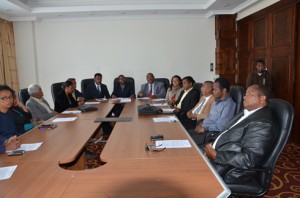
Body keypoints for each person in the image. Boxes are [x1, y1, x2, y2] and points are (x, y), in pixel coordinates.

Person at [204, 84, 277, 184]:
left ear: (262, 98)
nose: (244, 97)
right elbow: (227, 131)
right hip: (217, 155)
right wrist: (213, 143)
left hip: (228, 169)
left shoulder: (262, 123)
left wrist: (216, 156)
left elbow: (249, 159)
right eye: (245, 94)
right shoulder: (246, 112)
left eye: (249, 94)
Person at [188, 78, 236, 145]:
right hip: (203, 129)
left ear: (224, 91)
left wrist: (205, 128)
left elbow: (222, 126)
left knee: (185, 141)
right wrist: (201, 124)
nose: (213, 92)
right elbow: (209, 116)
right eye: (213, 89)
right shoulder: (216, 101)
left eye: (215, 90)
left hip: (211, 134)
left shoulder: (229, 104)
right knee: (182, 134)